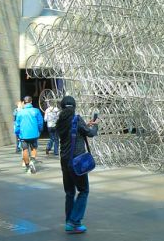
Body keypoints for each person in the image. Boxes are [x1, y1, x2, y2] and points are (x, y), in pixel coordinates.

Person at [56, 96, 99, 234]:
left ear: (62, 107)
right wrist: (95, 124)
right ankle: (75, 222)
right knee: (84, 190)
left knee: (69, 192)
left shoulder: (60, 122)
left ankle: (69, 221)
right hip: (77, 161)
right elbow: (91, 133)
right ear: (74, 106)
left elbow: (71, 132)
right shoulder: (76, 119)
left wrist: (83, 125)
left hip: (64, 160)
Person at [15, 96, 44, 174]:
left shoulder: (20, 112)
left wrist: (17, 133)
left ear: (24, 102)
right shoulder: (36, 111)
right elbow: (40, 122)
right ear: (31, 102)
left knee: (25, 149)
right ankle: (32, 161)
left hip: (23, 135)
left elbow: (17, 124)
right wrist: (40, 130)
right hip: (34, 134)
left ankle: (27, 166)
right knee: (34, 148)